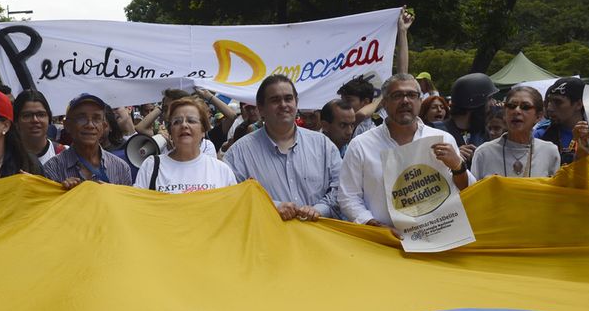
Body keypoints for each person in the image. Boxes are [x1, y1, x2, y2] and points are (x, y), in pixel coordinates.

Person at [338, 73, 465, 226]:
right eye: (397, 95)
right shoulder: (361, 145)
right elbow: (348, 196)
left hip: (438, 237)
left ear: (420, 100)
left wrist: (458, 166)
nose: (405, 101)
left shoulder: (443, 139)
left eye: (411, 95)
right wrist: (372, 223)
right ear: (384, 103)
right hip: (383, 241)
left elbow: (466, 189)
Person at [223, 74, 340, 220]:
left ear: (296, 103)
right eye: (275, 100)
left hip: (318, 236)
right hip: (268, 238)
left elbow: (340, 188)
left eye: (288, 98)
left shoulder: (323, 145)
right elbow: (232, 196)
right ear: (261, 108)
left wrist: (319, 210)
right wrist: (272, 206)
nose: (283, 105)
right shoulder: (239, 153)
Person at [134, 95, 238, 194]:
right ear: (170, 131)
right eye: (177, 122)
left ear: (203, 130)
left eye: (191, 121)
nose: (184, 125)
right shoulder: (151, 166)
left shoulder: (222, 171)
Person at [470, 86, 561, 179]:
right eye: (511, 106)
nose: (516, 111)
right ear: (505, 113)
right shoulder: (484, 152)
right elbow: (473, 191)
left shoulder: (549, 152)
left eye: (525, 107)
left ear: (538, 116)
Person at [43, 93, 134, 186]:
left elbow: (126, 200)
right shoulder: (52, 168)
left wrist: (114, 193)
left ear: (104, 126)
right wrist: (63, 193)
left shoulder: (121, 168)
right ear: (67, 125)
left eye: (96, 118)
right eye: (81, 118)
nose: (90, 125)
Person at [435, 72, 497, 163]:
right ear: (475, 103)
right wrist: (453, 156)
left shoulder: (483, 134)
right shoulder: (437, 132)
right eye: (489, 99)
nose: (493, 103)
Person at [535, 77, 584, 164]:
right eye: (548, 102)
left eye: (558, 102)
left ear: (578, 104)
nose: (549, 108)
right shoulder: (540, 135)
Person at [13, 89, 65, 169]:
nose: (35, 120)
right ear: (16, 121)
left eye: (41, 114)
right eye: (27, 115)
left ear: (49, 118)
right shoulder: (4, 159)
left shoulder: (66, 154)